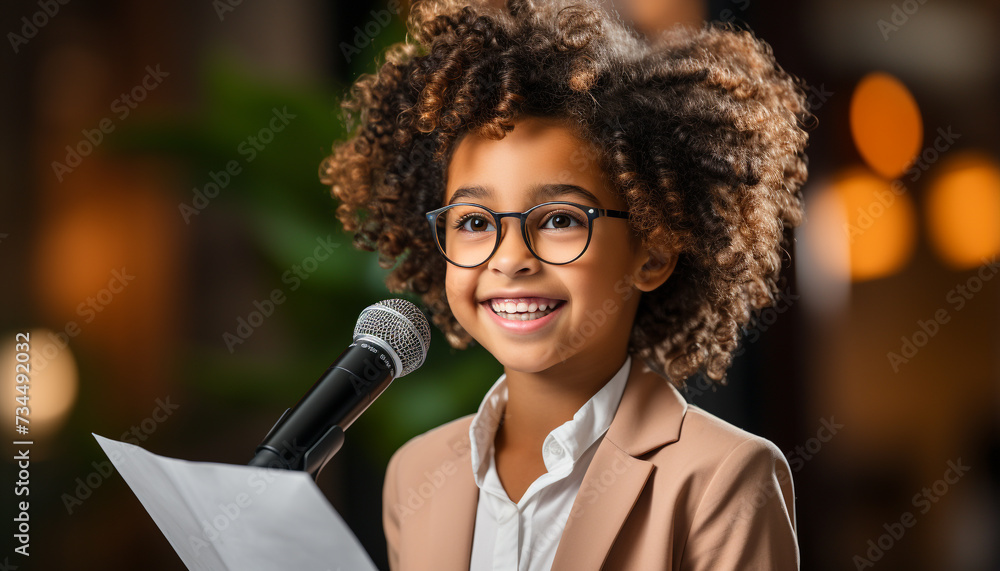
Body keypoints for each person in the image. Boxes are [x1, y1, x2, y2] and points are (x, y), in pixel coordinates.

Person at [321, 0, 811, 568]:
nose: (509, 259)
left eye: (559, 220)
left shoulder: (722, 478)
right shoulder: (416, 473)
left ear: (651, 253)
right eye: (475, 223)